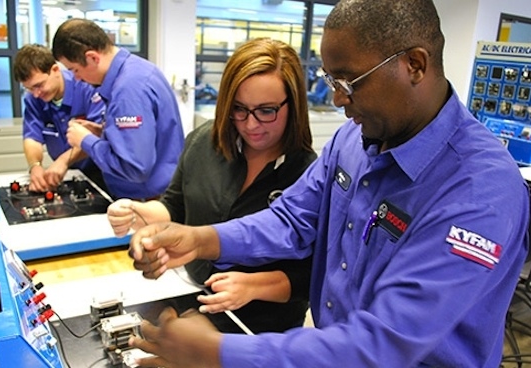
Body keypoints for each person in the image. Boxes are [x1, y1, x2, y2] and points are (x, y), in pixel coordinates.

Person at [125, 0, 530, 367]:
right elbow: (291, 218)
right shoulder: (353, 140)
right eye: (331, 80)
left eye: (349, 82)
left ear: (415, 65)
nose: (337, 99)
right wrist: (202, 239)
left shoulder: (479, 193)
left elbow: (383, 344)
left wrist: (217, 353)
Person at [107, 37, 316, 334]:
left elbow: (312, 276)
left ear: (293, 105)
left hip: (263, 326)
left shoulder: (309, 174)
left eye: (266, 111)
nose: (251, 124)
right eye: (239, 109)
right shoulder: (205, 141)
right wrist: (138, 212)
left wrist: (253, 286)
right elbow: (175, 206)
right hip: (193, 297)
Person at [51, 18, 184, 200]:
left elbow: (135, 168)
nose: (77, 79)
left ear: (92, 58)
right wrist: (102, 132)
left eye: (74, 70)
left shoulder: (128, 90)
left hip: (147, 201)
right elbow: (146, 137)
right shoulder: (138, 69)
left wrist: (86, 141)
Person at [13, 44, 107, 192]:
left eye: (39, 85)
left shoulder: (87, 87)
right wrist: (35, 166)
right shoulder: (33, 98)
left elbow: (97, 136)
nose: (36, 94)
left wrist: (63, 161)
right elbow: (32, 138)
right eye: (29, 88)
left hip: (98, 171)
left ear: (55, 70)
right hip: (64, 174)